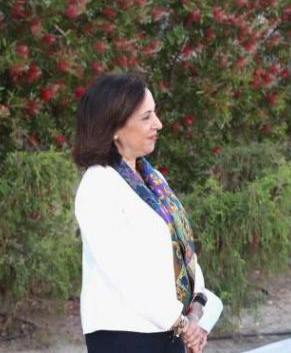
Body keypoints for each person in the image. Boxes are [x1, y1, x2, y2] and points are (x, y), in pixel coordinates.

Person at [72, 73, 222, 353]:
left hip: (172, 332)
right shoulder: (99, 185)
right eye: (146, 117)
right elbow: (123, 273)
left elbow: (181, 250)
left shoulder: (153, 180)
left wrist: (197, 310)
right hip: (127, 338)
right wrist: (180, 323)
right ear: (113, 127)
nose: (158, 124)